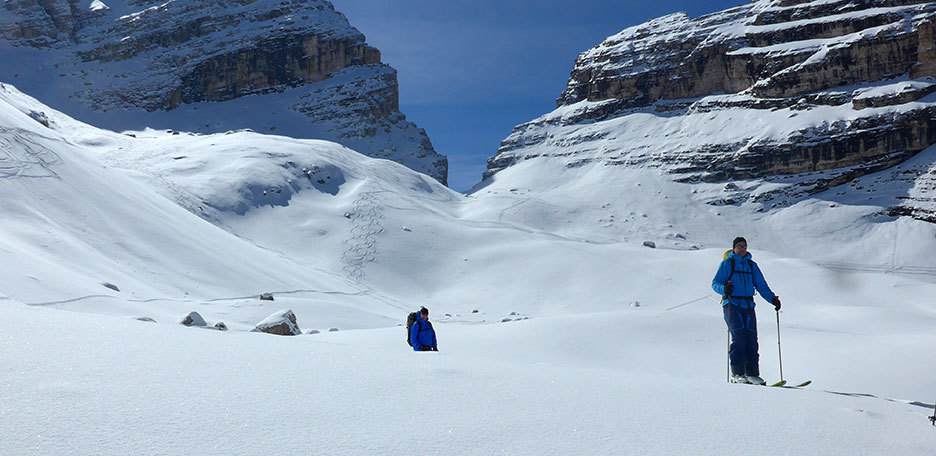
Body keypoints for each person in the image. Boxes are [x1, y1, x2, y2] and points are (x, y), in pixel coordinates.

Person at [711, 237, 781, 385]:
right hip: (732, 303)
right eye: (739, 246)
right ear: (734, 248)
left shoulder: (751, 265)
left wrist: (772, 299)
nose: (742, 249)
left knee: (751, 339)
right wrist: (724, 289)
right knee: (739, 337)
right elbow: (715, 283)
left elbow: (761, 285)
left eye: (744, 246)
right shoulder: (727, 264)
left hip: (748, 305)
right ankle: (737, 373)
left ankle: (752, 374)